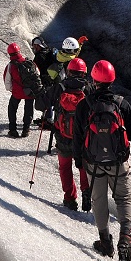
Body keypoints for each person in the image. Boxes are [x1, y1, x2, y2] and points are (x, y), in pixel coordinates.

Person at [74, 60, 131, 261]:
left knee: (99, 200)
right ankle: (125, 238)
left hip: (93, 162)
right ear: (112, 80)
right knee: (123, 198)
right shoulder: (121, 103)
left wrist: (79, 162)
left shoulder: (85, 105)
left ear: (93, 79)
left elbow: (77, 137)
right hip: (118, 160)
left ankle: (105, 241)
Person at [53, 57, 91, 211]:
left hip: (63, 136)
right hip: (82, 137)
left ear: (68, 71)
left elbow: (41, 103)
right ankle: (86, 192)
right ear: (84, 73)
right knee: (83, 166)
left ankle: (70, 198)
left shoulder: (60, 87)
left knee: (65, 167)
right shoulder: (88, 89)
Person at [3, 43, 36, 137]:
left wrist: (11, 89)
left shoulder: (11, 65)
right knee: (29, 109)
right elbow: (37, 73)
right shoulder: (29, 62)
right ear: (19, 51)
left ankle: (13, 129)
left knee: (12, 108)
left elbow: (7, 81)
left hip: (17, 92)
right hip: (29, 91)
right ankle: (26, 129)